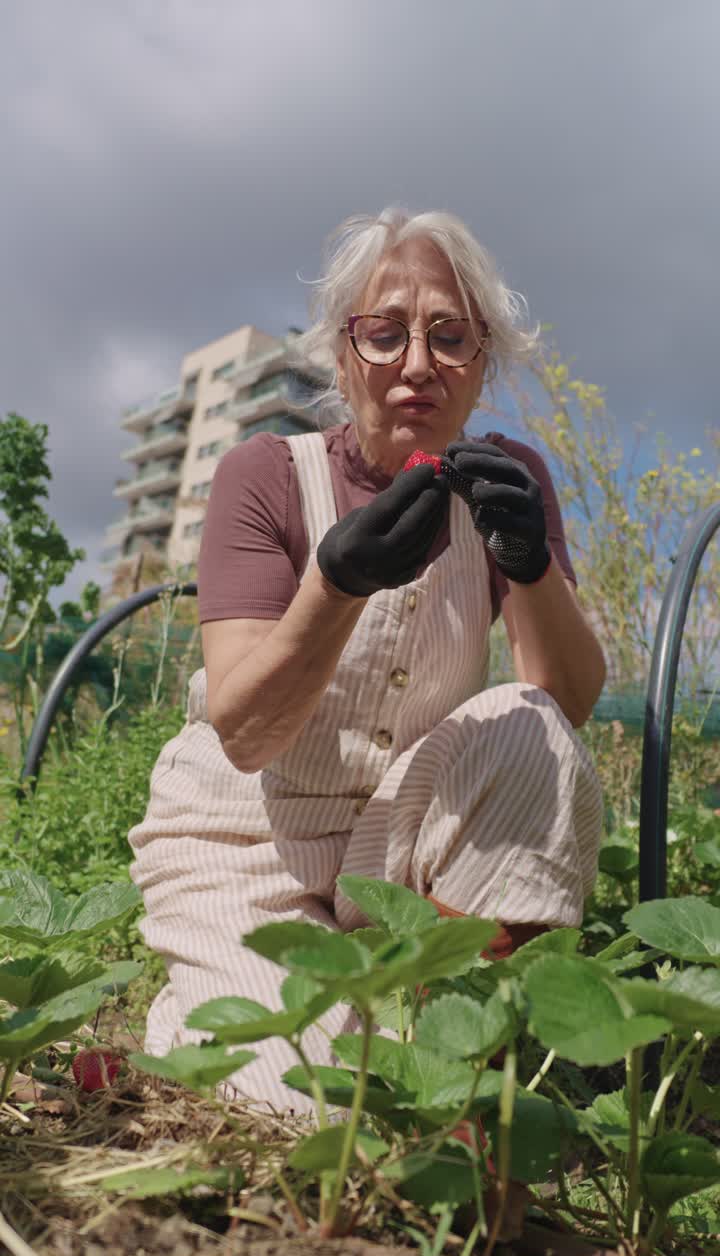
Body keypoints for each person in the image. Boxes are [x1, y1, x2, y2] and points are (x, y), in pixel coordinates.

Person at [128, 208, 606, 1115]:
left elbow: (567, 701)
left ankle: (458, 1021)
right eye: (383, 334)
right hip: (245, 844)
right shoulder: (265, 474)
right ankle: (207, 993)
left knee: (528, 725)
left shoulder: (512, 480)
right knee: (306, 1106)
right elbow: (245, 731)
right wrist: (336, 583)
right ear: (342, 358)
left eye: (450, 337)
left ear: (483, 362)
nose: (417, 363)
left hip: (385, 847)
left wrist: (530, 560)